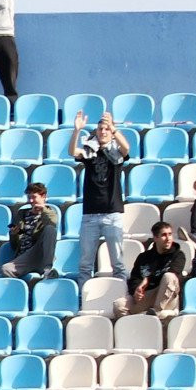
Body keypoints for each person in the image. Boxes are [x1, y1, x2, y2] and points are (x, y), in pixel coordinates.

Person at [74, 111, 132, 287]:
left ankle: (121, 294)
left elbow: (126, 148)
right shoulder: (89, 151)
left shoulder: (116, 153)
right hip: (90, 215)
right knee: (85, 264)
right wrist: (76, 131)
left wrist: (114, 129)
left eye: (106, 129)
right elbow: (72, 151)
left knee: (118, 263)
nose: (103, 131)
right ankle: (84, 297)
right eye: (100, 128)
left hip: (112, 213)